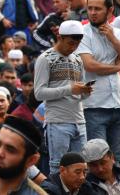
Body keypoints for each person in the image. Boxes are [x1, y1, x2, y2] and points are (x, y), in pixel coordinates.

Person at [34, 20, 90, 174]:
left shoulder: (77, 59)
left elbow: (79, 94)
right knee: (58, 168)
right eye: (71, 43)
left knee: (81, 167)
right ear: (60, 37)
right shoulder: (45, 58)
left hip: (79, 120)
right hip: (58, 121)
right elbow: (39, 93)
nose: (73, 47)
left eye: (77, 44)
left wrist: (84, 91)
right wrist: (70, 89)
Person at [76, 0, 120, 163]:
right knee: (98, 159)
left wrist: (113, 39)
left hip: (118, 104)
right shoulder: (82, 34)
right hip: (94, 106)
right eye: (90, 8)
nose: (93, 12)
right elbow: (90, 65)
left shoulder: (117, 32)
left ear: (110, 11)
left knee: (118, 158)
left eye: (98, 9)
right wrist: (117, 66)